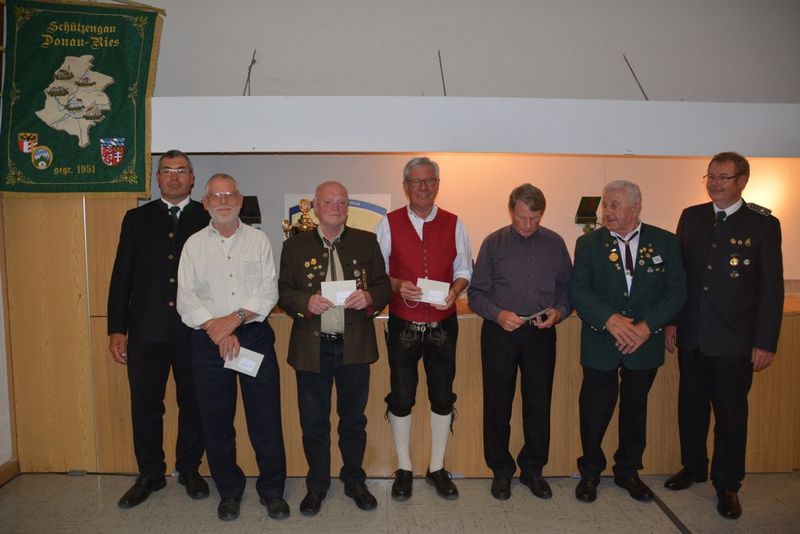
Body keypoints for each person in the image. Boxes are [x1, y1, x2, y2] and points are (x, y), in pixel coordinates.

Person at [664, 152, 783, 519]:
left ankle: (728, 483)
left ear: (741, 181)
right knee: (691, 408)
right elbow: (680, 277)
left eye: (723, 177)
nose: (715, 184)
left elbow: (771, 289)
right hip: (693, 335)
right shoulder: (692, 217)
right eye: (711, 177)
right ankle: (694, 467)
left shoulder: (763, 224)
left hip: (734, 341)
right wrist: (672, 321)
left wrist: (765, 341)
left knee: (730, 416)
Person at [177, 174, 287, 522]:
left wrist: (233, 321)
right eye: (216, 196)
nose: (223, 201)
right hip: (208, 341)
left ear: (240, 200)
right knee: (216, 422)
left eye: (229, 195)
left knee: (265, 420)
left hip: (253, 338)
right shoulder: (194, 245)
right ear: (205, 203)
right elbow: (186, 299)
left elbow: (268, 291)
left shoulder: (258, 240)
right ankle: (229, 491)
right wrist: (219, 329)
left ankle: (272, 491)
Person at [569, 180, 686, 503]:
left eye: (615, 205)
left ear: (636, 208)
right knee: (594, 410)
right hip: (601, 341)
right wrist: (610, 320)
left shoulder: (666, 242)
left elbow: (677, 292)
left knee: (636, 411)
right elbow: (579, 289)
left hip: (643, 343)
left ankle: (628, 471)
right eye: (605, 205)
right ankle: (590, 471)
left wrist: (647, 327)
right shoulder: (588, 244)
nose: (607, 212)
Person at [278, 181, 391, 515]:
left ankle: (354, 481)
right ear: (315, 206)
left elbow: (384, 287)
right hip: (312, 348)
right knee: (314, 422)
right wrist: (305, 301)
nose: (336, 207)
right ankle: (317, 485)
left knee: (353, 420)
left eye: (342, 202)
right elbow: (283, 291)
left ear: (347, 208)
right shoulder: (294, 246)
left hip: (354, 347)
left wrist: (370, 296)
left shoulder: (366, 241)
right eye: (328, 202)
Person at [108, 149, 209, 508]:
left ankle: (189, 468)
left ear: (192, 178)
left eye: (182, 170)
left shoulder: (207, 217)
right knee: (145, 405)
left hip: (194, 330)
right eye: (167, 170)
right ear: (157, 178)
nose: (174, 177)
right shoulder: (137, 219)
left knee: (193, 403)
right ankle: (150, 474)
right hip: (145, 330)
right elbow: (122, 275)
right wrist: (116, 328)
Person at [375, 156, 473, 501]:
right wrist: (397, 285)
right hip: (403, 322)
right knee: (402, 395)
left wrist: (455, 291)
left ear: (438, 185)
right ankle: (404, 468)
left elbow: (464, 269)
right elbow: (377, 274)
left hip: (442, 324)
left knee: (442, 395)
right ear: (405, 186)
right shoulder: (388, 223)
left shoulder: (455, 223)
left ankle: (436, 467)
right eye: (416, 181)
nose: (423, 187)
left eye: (430, 180)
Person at [468, 184, 572, 501]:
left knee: (538, 403)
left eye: (535, 219)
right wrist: (498, 314)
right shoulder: (493, 243)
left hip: (540, 332)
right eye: (522, 218)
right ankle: (501, 471)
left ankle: (532, 469)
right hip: (500, 332)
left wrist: (559, 312)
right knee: (497, 404)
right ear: (511, 210)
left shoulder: (555, 243)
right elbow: (476, 294)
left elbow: (567, 289)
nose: (528, 225)